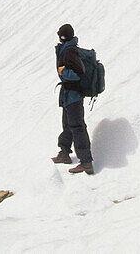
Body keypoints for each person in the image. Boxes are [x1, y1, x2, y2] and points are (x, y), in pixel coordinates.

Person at [51, 23, 94, 174]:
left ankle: (86, 162)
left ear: (63, 37)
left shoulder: (69, 51)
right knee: (68, 124)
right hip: (68, 95)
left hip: (73, 95)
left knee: (77, 126)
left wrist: (63, 73)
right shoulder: (67, 48)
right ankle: (64, 153)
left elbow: (79, 73)